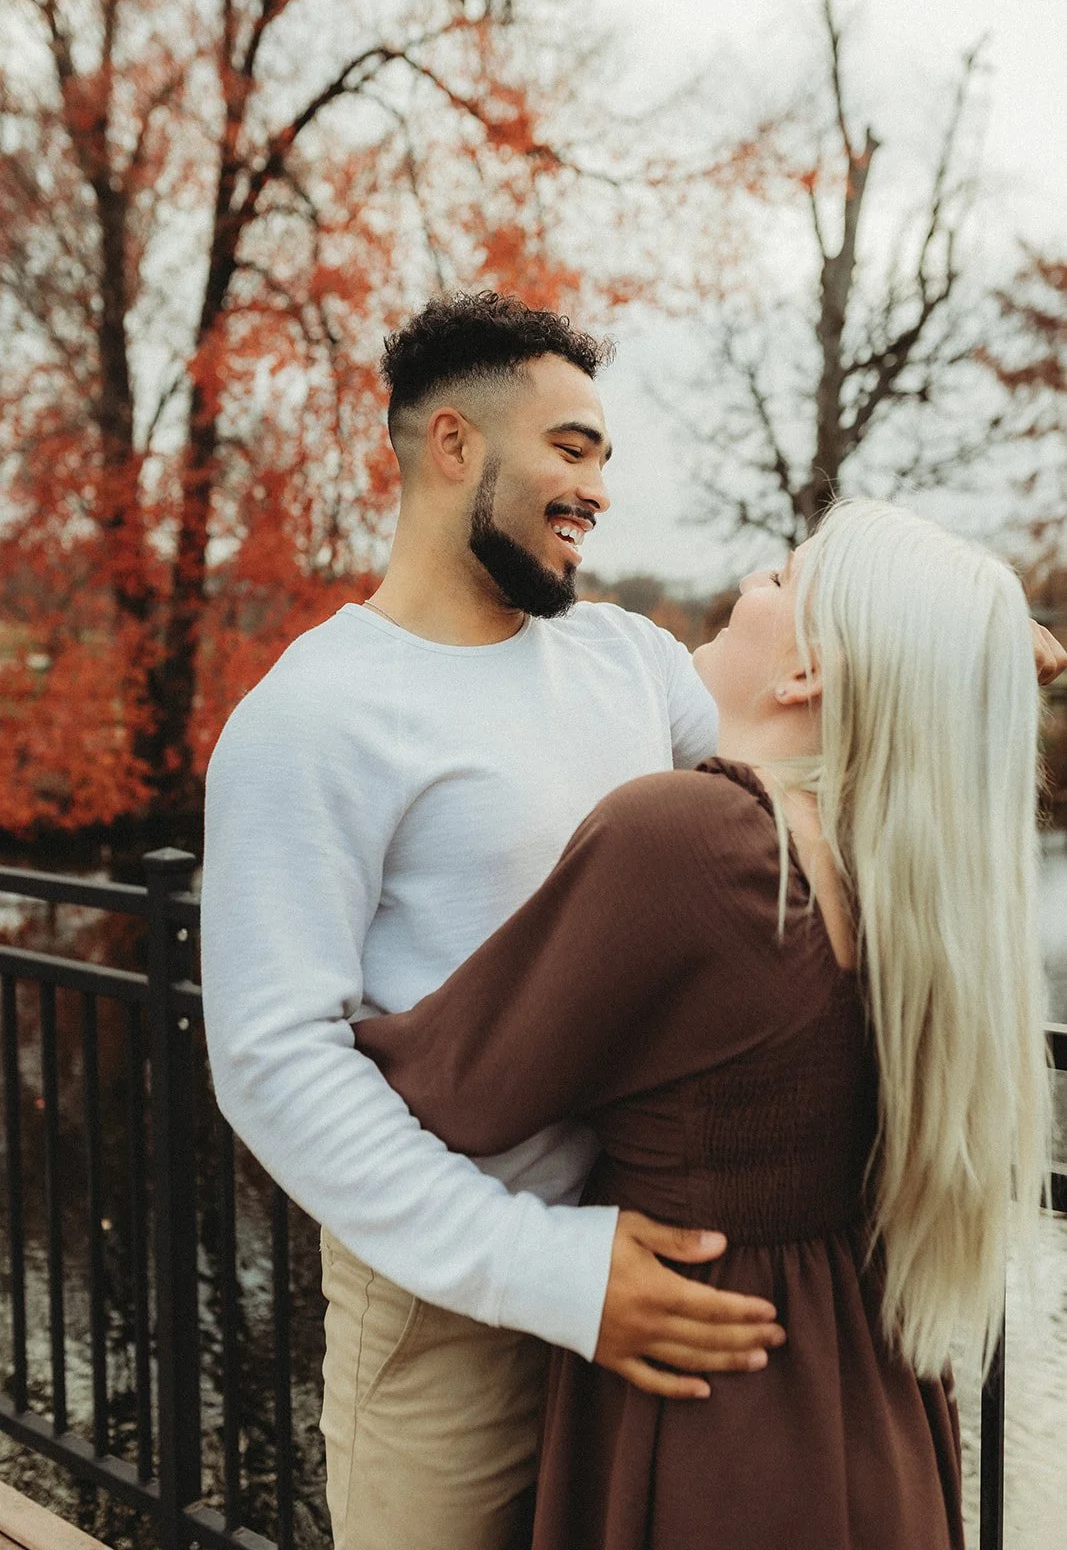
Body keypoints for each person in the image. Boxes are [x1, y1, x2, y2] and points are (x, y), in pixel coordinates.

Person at [200, 292, 786, 1550]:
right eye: (570, 448)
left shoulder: (629, 662)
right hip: (446, 1313)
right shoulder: (313, 715)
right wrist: (547, 1272)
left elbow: (782, 782)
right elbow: (272, 1060)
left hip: (653, 1254)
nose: (598, 489)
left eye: (603, 459)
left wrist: (949, 651)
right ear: (455, 445)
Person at [354, 498, 1053, 1550]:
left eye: (778, 578)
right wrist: (983, 656)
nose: (745, 590)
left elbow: (447, 1089)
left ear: (806, 670)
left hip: (711, 1429)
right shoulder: (906, 874)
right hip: (868, 1404)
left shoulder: (692, 841)